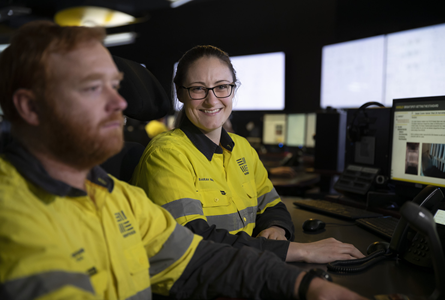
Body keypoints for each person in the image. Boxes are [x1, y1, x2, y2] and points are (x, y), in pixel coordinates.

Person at [0, 21, 367, 300]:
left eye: (115, 86)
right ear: (30, 107)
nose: (121, 104)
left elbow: (198, 259)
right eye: (93, 88)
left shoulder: (113, 195)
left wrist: (306, 286)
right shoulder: (13, 216)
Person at [131, 45, 365, 263]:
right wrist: (296, 250)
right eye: (198, 89)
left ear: (233, 89)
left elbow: (272, 204)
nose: (212, 99)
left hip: (246, 270)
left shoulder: (242, 148)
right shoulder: (166, 154)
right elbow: (192, 240)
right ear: (180, 94)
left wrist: (276, 228)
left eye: (222, 86)